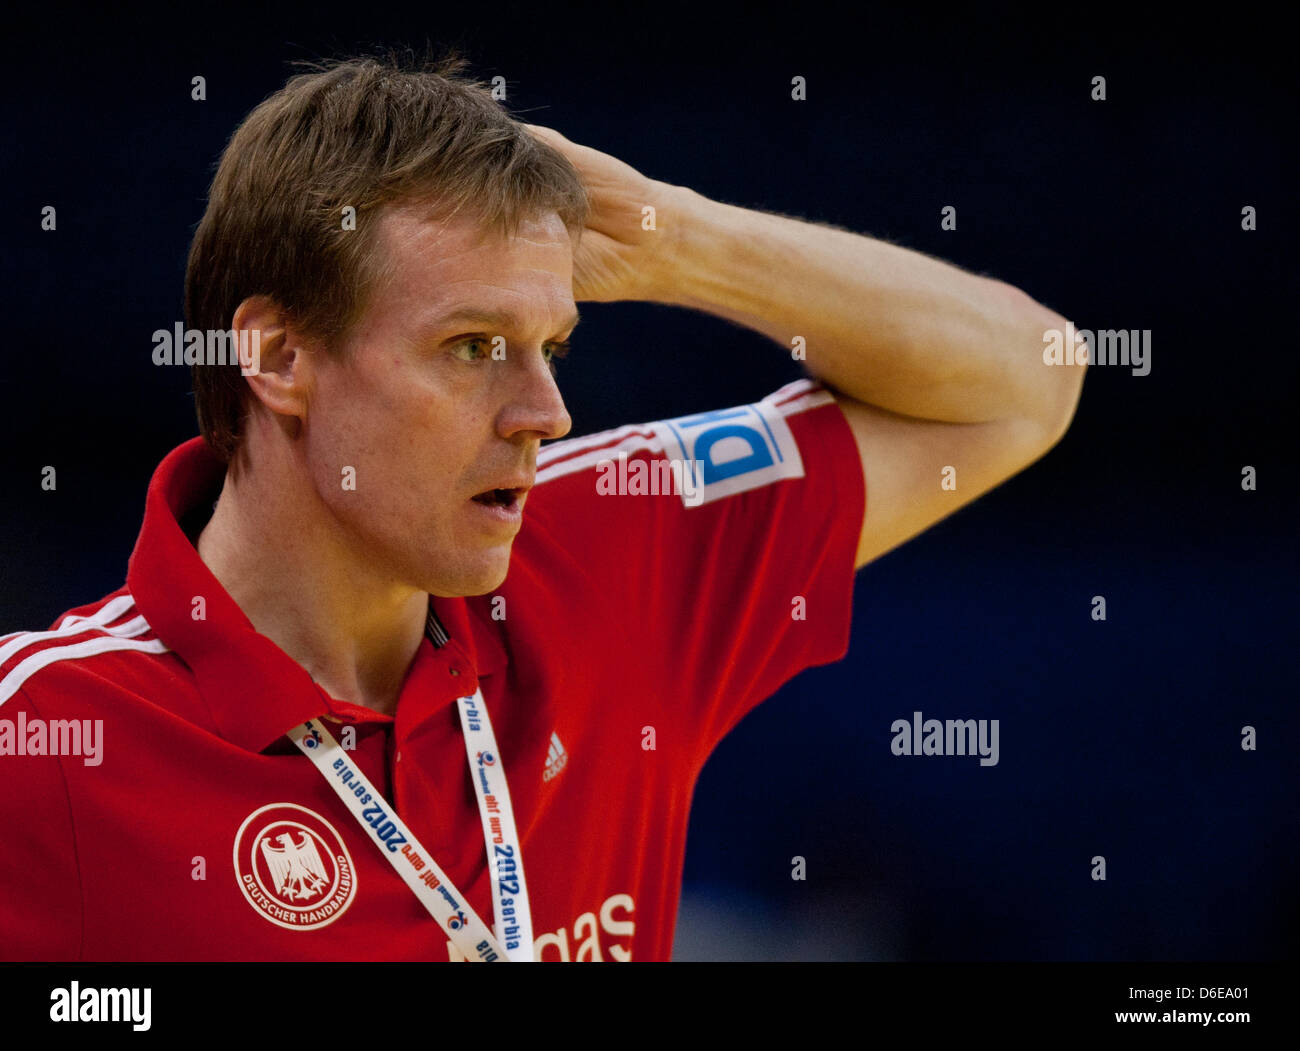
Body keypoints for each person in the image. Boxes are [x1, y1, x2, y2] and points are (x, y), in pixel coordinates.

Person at [0, 53, 1085, 961]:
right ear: (279, 356)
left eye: (551, 346)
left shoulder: (605, 537)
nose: (545, 412)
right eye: (473, 348)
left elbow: (1025, 382)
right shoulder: (47, 738)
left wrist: (679, 242)